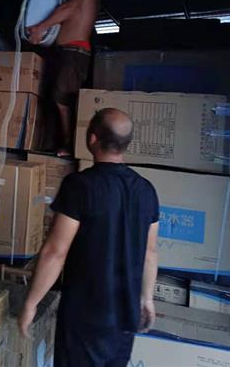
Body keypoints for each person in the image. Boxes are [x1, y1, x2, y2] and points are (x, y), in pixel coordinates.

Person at [18, 108, 159, 367]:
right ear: (126, 144)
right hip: (125, 317)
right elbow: (150, 253)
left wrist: (31, 303)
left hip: (86, 319)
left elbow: (55, 253)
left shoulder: (80, 187)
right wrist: (147, 298)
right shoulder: (146, 190)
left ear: (92, 138)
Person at [27, 0, 98, 157]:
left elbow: (67, 10)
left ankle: (68, 145)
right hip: (72, 52)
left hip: (74, 51)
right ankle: (62, 143)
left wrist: (40, 28)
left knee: (62, 99)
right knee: (60, 97)